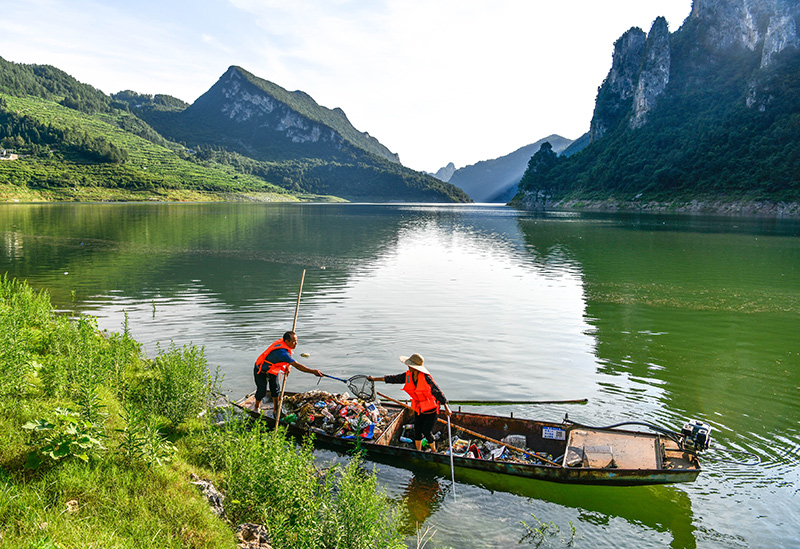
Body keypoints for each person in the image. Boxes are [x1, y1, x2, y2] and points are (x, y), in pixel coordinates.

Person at [369, 353, 451, 452]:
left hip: (432, 410)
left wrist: (446, 407)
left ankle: (434, 451)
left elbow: (438, 392)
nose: (408, 366)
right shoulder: (408, 375)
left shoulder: (426, 378)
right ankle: (419, 451)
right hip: (419, 408)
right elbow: (393, 378)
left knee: (426, 431)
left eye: (410, 365)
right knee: (417, 431)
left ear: (416, 367)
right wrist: (374, 379)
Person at [253, 331, 323, 417]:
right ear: (286, 342)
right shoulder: (282, 353)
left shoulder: (285, 345)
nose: (296, 344)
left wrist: (288, 366)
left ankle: (276, 409)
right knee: (261, 391)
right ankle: (256, 407)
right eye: (294, 342)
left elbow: (288, 360)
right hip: (261, 370)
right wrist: (313, 371)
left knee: (276, 389)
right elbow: (297, 365)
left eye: (296, 341)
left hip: (273, 370)